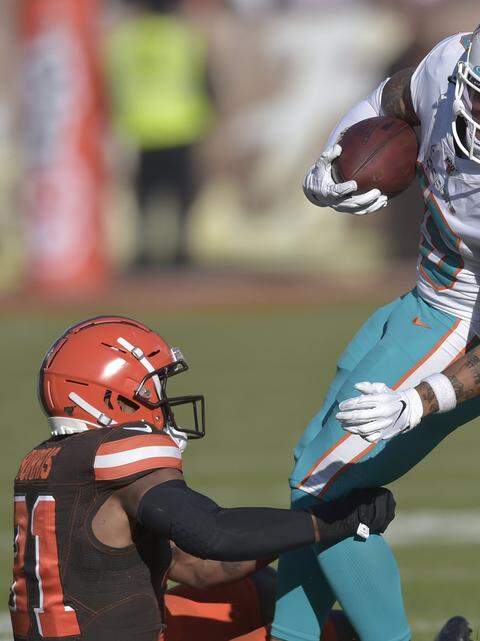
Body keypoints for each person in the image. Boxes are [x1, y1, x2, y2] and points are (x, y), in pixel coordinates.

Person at [275, 4, 480, 641]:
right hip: (421, 301)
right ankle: (292, 636)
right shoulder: (450, 63)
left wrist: (416, 403)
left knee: (326, 478)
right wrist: (334, 165)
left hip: (465, 332)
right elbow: (389, 100)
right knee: (310, 470)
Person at [11, 316, 395, 641]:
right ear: (114, 399)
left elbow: (195, 567)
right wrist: (331, 520)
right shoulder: (117, 453)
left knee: (251, 590)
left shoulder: (44, 463)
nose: (162, 402)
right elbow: (212, 534)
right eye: (154, 388)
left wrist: (296, 531)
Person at [106, 0, 215, 269]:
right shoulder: (185, 36)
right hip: (181, 124)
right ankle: (181, 251)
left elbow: (114, 83)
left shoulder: (124, 39)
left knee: (144, 195)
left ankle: (142, 252)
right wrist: (212, 115)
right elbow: (204, 80)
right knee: (182, 192)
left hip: (140, 127)